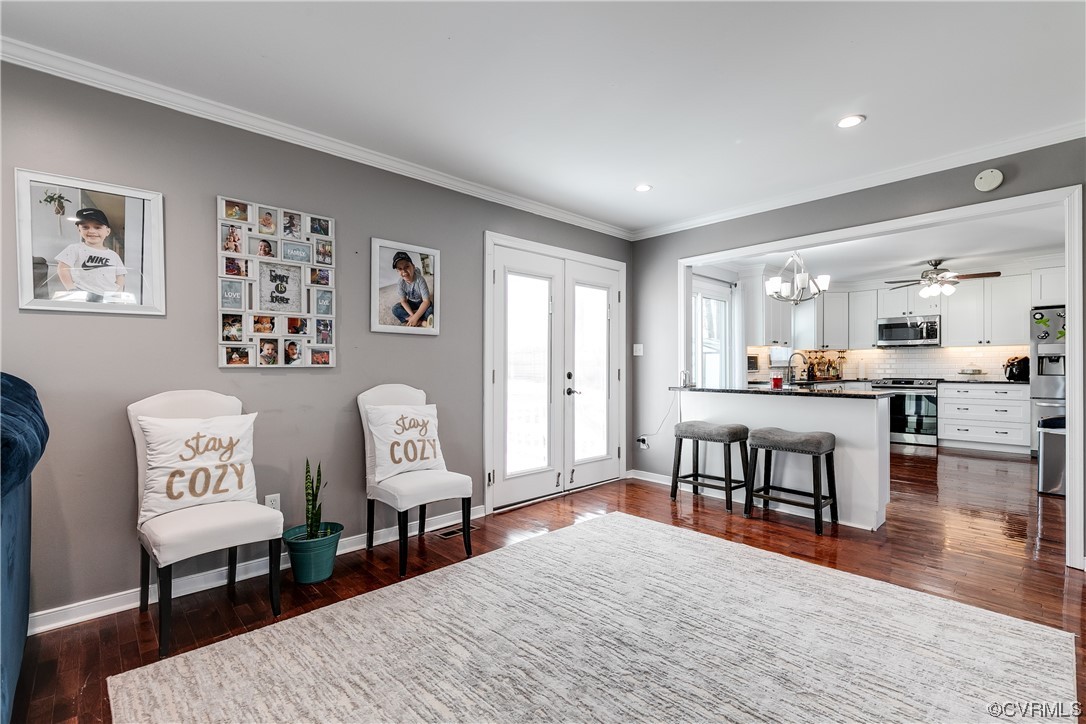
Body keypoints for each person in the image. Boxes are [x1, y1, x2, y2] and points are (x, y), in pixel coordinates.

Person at [55, 208, 127, 298]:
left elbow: (120, 276)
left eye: (97, 227)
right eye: (85, 227)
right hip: (83, 294)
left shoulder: (113, 255)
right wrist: (71, 289)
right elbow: (63, 268)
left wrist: (117, 294)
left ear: (107, 231)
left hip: (108, 296)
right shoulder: (74, 248)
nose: (92, 231)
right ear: (79, 230)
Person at [390, 250, 433, 327]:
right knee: (395, 309)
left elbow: (426, 301)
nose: (404, 271)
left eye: (407, 266)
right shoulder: (400, 283)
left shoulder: (420, 280)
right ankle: (422, 322)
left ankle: (414, 319)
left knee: (431, 307)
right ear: (397, 271)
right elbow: (403, 301)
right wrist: (413, 316)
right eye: (400, 269)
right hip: (411, 302)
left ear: (413, 266)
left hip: (421, 301)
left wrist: (415, 317)